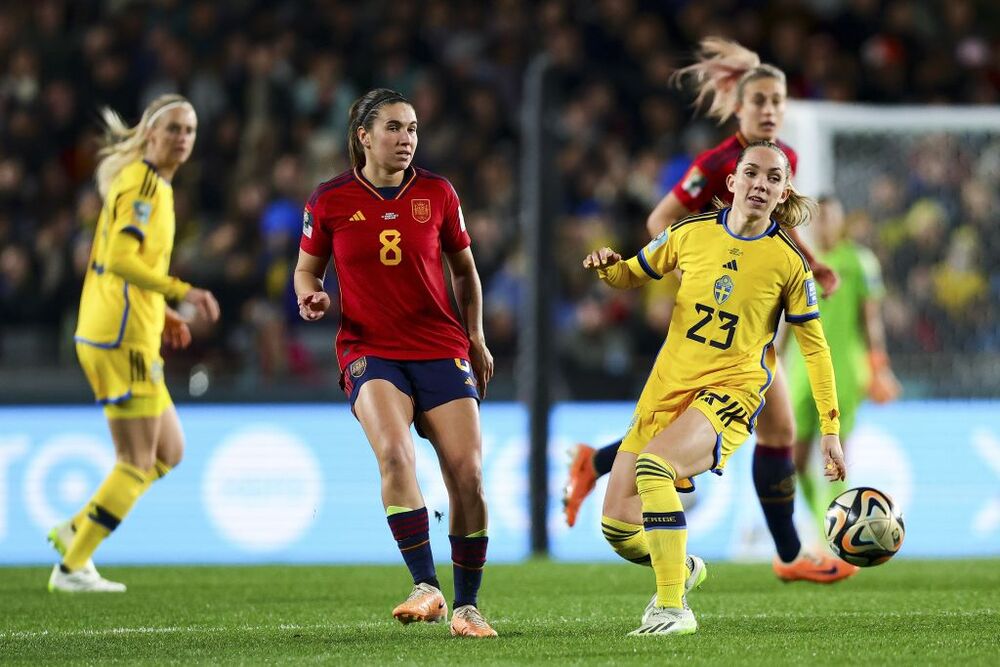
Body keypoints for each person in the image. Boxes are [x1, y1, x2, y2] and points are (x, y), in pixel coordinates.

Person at [564, 38, 857, 584]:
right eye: (761, 101)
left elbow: (780, 224)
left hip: (749, 314)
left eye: (778, 101)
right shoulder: (717, 163)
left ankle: (788, 554)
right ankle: (786, 554)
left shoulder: (780, 160)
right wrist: (697, 275)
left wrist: (810, 264)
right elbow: (659, 221)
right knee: (761, 432)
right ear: (738, 108)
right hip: (705, 307)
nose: (771, 111)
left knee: (778, 432)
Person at [586, 141, 846, 636]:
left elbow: (815, 349)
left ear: (783, 191)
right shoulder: (689, 233)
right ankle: (681, 568)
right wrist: (607, 267)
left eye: (773, 178)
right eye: (751, 173)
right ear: (731, 181)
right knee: (618, 528)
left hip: (732, 390)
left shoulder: (790, 263)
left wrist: (829, 430)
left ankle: (672, 608)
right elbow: (630, 274)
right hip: (666, 388)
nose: (760, 185)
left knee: (655, 467)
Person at [294, 88, 497, 638]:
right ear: (363, 135)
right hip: (369, 348)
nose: (406, 139)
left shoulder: (438, 192)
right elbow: (306, 270)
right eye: (393, 128)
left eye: (411, 129)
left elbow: (465, 271)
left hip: (440, 346)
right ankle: (425, 586)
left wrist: (475, 337)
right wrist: (309, 294)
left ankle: (468, 606)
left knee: (469, 476)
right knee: (393, 452)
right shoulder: (330, 199)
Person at [48, 94, 220, 592]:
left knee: (170, 451)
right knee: (136, 461)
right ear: (149, 135)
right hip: (119, 337)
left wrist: (161, 310)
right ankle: (73, 566)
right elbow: (121, 259)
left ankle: (76, 528)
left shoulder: (154, 187)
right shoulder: (144, 185)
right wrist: (181, 292)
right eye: (173, 129)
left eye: (189, 130)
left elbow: (111, 260)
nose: (182, 138)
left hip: (128, 328)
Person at [786, 195, 901, 535]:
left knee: (836, 457)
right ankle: (825, 522)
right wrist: (771, 360)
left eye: (831, 218)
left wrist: (879, 366)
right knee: (795, 461)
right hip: (800, 370)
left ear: (841, 221)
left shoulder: (859, 262)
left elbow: (871, 320)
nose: (825, 224)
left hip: (845, 370)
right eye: (820, 218)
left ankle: (833, 535)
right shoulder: (799, 259)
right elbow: (783, 317)